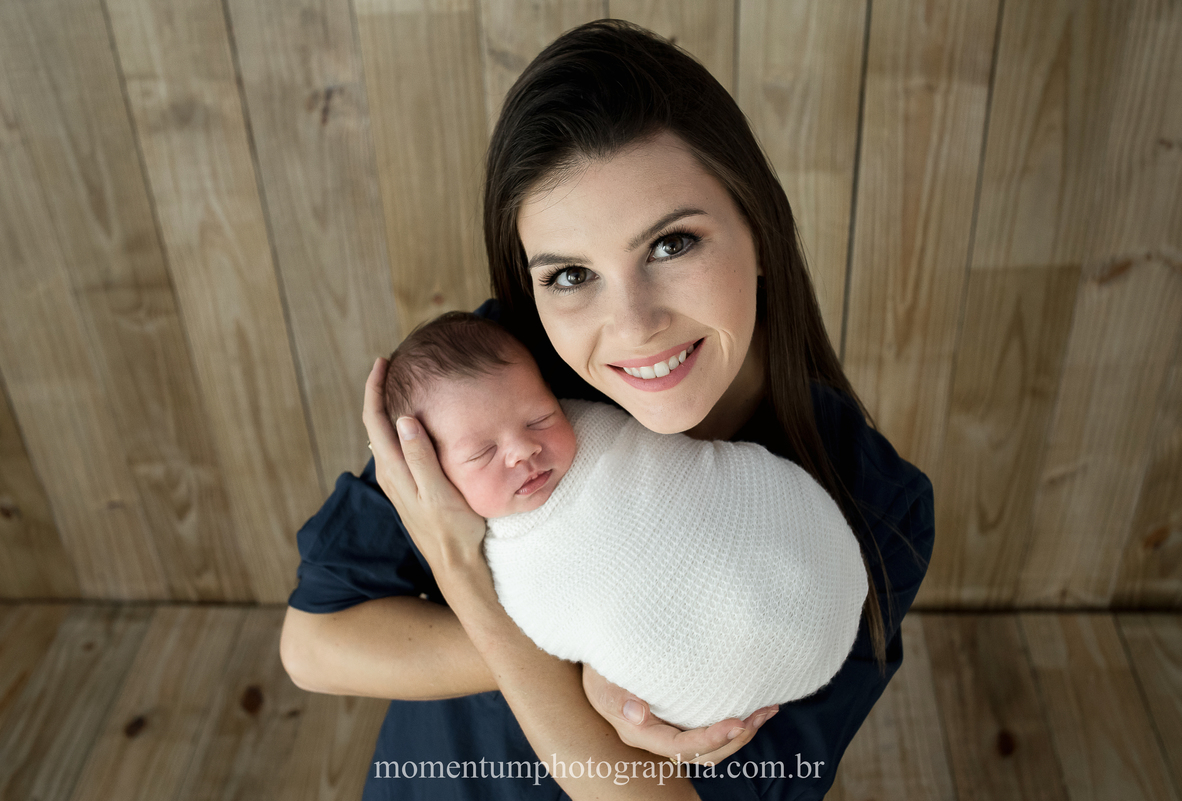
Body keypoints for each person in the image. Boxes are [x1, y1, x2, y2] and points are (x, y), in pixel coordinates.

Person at [280, 19, 934, 800]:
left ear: (758, 230)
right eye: (569, 276)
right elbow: (315, 643)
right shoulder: (496, 390)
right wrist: (575, 661)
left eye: (670, 245)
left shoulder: (870, 504)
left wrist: (484, 589)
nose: (632, 324)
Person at [379, 310, 867, 731]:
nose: (524, 449)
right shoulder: (504, 560)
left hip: (808, 566)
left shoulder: (596, 424)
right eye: (483, 452)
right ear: (427, 473)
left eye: (539, 418)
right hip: (709, 677)